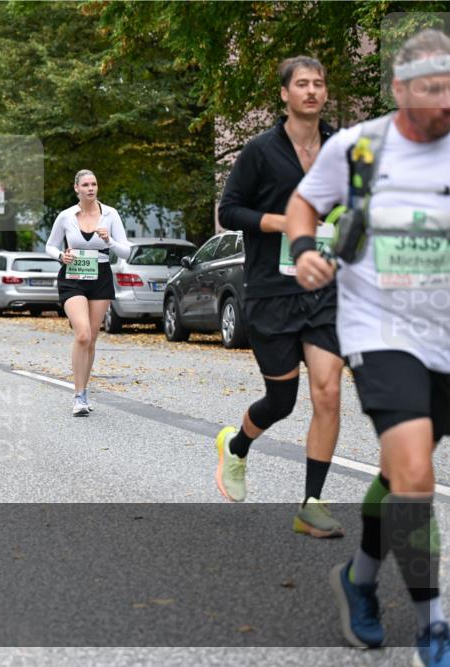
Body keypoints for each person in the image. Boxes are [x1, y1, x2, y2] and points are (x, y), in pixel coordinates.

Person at [286, 29, 450, 665]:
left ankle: (358, 578)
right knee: (414, 472)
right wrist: (304, 253)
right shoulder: (359, 148)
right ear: (400, 90)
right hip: (380, 328)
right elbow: (304, 206)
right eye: (430, 91)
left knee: (399, 473)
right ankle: (434, 626)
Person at [215, 56, 345, 539]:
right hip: (273, 289)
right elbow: (230, 211)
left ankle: (312, 503)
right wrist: (281, 222)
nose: (312, 91)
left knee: (328, 391)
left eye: (319, 83)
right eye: (302, 84)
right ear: (285, 94)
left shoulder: (341, 148)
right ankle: (237, 445)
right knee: (283, 400)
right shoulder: (260, 151)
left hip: (325, 289)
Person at [45, 169, 131, 416]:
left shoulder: (111, 214)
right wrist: (62, 255)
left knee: (92, 337)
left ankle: (84, 391)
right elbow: (50, 246)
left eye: (94, 184)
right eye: (85, 185)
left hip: (100, 276)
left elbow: (126, 251)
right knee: (82, 334)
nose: (91, 188)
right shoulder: (66, 216)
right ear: (77, 189)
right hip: (72, 277)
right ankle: (77, 394)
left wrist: (110, 242)